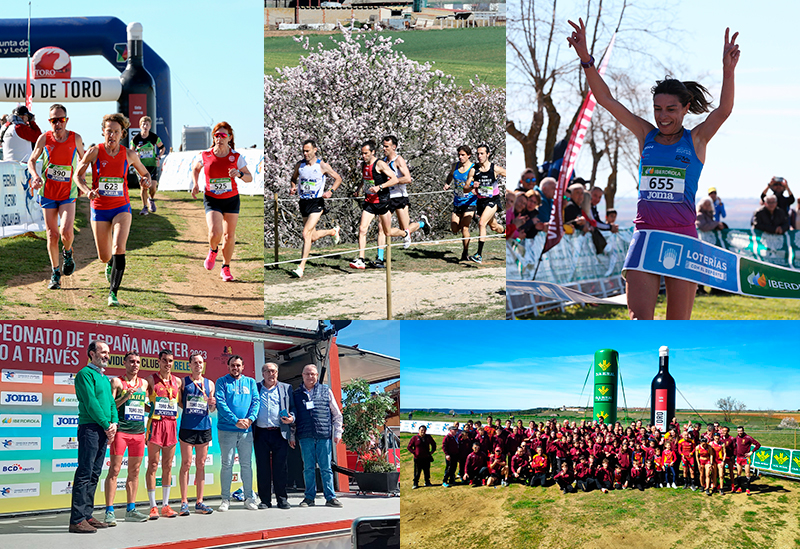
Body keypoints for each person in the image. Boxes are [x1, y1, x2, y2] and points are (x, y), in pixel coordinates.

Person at [568, 18, 740, 319]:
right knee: (639, 321)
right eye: (657, 109)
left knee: (678, 324)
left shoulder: (696, 140)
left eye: (671, 109)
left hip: (684, 238)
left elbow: (724, 110)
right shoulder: (645, 135)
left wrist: (728, 70)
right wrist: (585, 59)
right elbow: (606, 99)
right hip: (646, 236)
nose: (662, 116)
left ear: (685, 108)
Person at [73, 114, 152, 306]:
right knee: (104, 256)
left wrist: (146, 180)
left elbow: (145, 173)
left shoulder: (129, 154)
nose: (112, 135)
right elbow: (77, 175)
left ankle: (113, 294)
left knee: (119, 247)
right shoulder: (94, 152)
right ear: (103, 132)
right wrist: (87, 191)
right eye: (109, 131)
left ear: (122, 134)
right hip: (99, 209)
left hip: (121, 207)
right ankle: (109, 264)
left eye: (116, 132)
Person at [26, 104, 86, 290]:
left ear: (66, 120)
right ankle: (55, 272)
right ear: (49, 122)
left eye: (61, 120)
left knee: (66, 232)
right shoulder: (44, 138)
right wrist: (35, 176)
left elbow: (84, 161)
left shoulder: (75, 138)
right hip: (48, 193)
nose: (58, 124)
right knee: (51, 235)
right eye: (54, 120)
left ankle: (67, 252)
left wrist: (81, 179)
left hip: (68, 193)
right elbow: (32, 160)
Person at [191, 122, 253, 281]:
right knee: (215, 232)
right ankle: (213, 251)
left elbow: (249, 178)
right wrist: (196, 184)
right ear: (213, 137)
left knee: (229, 236)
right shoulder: (205, 155)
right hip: (212, 198)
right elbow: (196, 168)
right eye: (216, 135)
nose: (219, 138)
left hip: (231, 199)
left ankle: (225, 267)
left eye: (223, 135)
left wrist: (238, 174)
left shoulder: (236, 157)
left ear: (230, 137)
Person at [69, 340, 118, 533]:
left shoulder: (105, 379)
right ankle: (77, 520)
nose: (106, 355)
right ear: (92, 353)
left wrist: (114, 423)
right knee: (84, 472)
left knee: (95, 473)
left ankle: (87, 515)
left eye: (108, 352)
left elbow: (112, 404)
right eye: (103, 352)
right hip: (90, 428)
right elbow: (91, 403)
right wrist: (107, 425)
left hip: (103, 430)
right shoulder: (84, 374)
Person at [104, 352, 150, 524]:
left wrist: (157, 408)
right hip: (121, 432)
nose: (135, 364)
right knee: (114, 470)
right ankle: (109, 511)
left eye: (138, 362)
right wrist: (125, 396)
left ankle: (131, 509)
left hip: (138, 433)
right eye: (131, 361)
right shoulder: (116, 381)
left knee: (135, 472)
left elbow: (143, 406)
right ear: (125, 363)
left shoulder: (144, 383)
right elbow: (110, 406)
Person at [349, 140, 406, 269]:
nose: (364, 156)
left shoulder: (379, 164)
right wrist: (358, 189)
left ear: (373, 152)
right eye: (362, 154)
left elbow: (395, 179)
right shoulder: (364, 165)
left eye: (366, 153)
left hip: (382, 202)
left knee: (387, 232)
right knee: (362, 229)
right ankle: (361, 259)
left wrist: (380, 187)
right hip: (369, 202)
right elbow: (365, 179)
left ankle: (404, 233)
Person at [288, 140, 342, 278]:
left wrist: (331, 191)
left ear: (315, 150)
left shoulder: (322, 165)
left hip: (317, 202)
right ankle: (332, 231)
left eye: (308, 151)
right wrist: (293, 187)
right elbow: (293, 178)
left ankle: (301, 267)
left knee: (306, 233)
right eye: (303, 151)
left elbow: (338, 178)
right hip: (304, 202)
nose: (305, 154)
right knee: (311, 236)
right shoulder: (300, 165)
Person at [293, 364, 344, 506]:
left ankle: (330, 497)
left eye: (313, 374)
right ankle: (309, 497)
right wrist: (292, 436)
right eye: (307, 374)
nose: (310, 377)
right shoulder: (296, 394)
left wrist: (338, 432)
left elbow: (337, 414)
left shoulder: (326, 390)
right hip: (305, 436)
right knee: (308, 468)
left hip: (323, 435)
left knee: (326, 468)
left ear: (317, 376)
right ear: (302, 375)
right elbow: (294, 417)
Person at [375, 135, 430, 265]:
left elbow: (408, 178)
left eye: (386, 146)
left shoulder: (398, 160)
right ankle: (379, 258)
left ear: (394, 147)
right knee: (381, 227)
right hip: (387, 198)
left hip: (400, 197)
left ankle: (421, 223)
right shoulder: (383, 161)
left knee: (405, 229)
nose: (384, 149)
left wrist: (393, 181)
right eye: (383, 146)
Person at [215, 355, 260, 511]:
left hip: (246, 430)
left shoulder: (250, 382)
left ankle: (249, 498)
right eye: (232, 365)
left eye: (238, 365)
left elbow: (256, 401)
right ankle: (225, 499)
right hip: (227, 430)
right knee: (227, 465)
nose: (235, 368)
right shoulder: (221, 382)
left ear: (243, 366)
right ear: (228, 367)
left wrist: (250, 419)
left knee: (246, 465)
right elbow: (220, 403)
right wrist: (235, 420)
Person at [177, 352, 216, 516]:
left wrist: (212, 404)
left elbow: (212, 408)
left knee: (201, 464)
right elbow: (180, 403)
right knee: (186, 464)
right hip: (187, 427)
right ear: (190, 365)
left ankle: (199, 501)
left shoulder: (210, 384)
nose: (198, 365)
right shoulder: (183, 382)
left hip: (204, 427)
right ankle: (184, 501)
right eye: (195, 362)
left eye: (200, 362)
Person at [144, 349, 182, 519]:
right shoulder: (151, 380)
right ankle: (153, 506)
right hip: (156, 425)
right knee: (153, 465)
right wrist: (151, 410)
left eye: (171, 360)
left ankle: (166, 505)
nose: (168, 363)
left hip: (171, 425)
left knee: (167, 466)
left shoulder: (178, 381)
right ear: (158, 361)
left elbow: (181, 404)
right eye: (165, 360)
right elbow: (140, 401)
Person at [253, 362, 296, 509]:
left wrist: (292, 419)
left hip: (280, 432)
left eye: (274, 371)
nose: (272, 374)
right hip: (260, 432)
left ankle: (282, 499)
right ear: (262, 373)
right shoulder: (256, 388)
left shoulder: (286, 388)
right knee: (263, 468)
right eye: (269, 371)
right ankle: (265, 500)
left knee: (280, 468)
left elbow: (293, 408)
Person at [469, 144, 506, 264]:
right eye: (478, 154)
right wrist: (471, 186)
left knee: (482, 223)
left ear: (488, 154)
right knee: (494, 227)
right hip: (481, 201)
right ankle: (507, 232)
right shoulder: (474, 170)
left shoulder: (495, 169)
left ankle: (479, 255)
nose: (479, 156)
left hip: (493, 200)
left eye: (482, 153)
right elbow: (465, 187)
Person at [443, 145, 477, 262]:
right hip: (457, 201)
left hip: (470, 201)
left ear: (469, 156)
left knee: (465, 228)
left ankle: (465, 252)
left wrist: (474, 188)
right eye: (459, 155)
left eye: (463, 155)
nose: (460, 157)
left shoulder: (473, 168)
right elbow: (450, 176)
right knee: (454, 228)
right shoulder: (455, 166)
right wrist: (447, 183)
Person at [132, 116, 166, 216]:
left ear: (150, 126)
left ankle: (151, 199)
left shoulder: (154, 137)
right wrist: (135, 155)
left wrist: (159, 157)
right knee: (143, 187)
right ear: (140, 126)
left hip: (152, 165)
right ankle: (145, 207)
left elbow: (162, 148)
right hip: (141, 166)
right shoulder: (136, 138)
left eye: (147, 124)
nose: (145, 126)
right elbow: (130, 151)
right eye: (143, 124)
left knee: (153, 187)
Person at [733, 426, 761, 495]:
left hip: (746, 459)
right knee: (738, 473)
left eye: (741, 431)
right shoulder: (737, 437)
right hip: (739, 458)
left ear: (743, 431)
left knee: (747, 474)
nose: (739, 432)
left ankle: (747, 488)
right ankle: (739, 488)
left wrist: (751, 452)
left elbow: (758, 445)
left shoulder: (748, 438)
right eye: (738, 431)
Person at [407, 425, 436, 489]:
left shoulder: (428, 437)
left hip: (426, 457)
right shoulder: (414, 438)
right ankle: (415, 483)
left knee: (427, 471)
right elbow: (409, 447)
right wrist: (415, 452)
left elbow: (434, 444)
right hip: (418, 458)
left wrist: (432, 451)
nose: (423, 431)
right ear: (419, 430)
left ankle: (427, 482)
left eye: (424, 430)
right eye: (422, 430)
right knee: (417, 471)